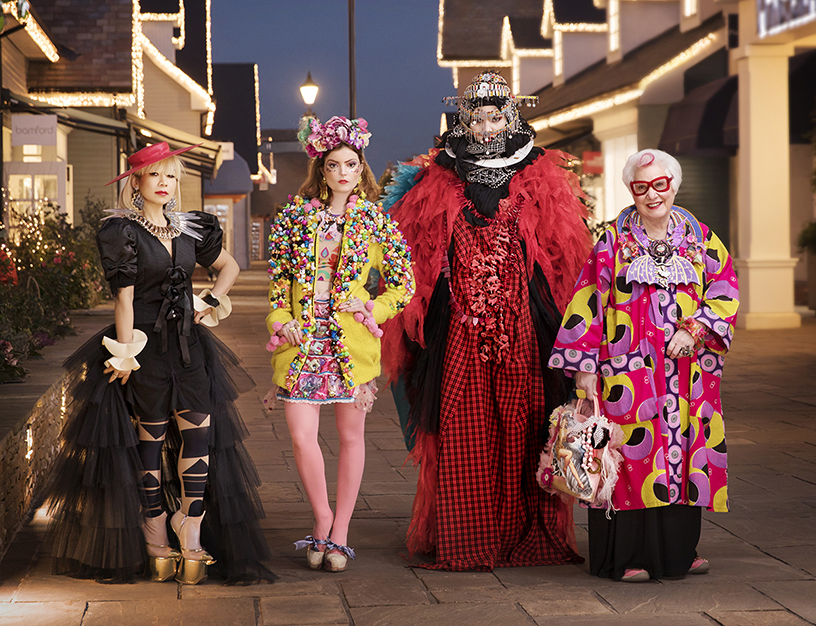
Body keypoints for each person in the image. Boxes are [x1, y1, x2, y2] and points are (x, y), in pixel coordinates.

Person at [382, 71, 591, 571]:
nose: (488, 125)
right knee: (461, 424)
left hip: (524, 320)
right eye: (478, 116)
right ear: (465, 119)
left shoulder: (539, 172)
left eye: (496, 115)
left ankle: (522, 533)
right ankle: (468, 536)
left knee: (526, 425)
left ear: (510, 117)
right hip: (458, 322)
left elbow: (563, 253)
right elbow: (412, 251)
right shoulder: (438, 173)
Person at [47, 142, 275, 586]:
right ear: (136, 181)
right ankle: (154, 526)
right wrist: (126, 354)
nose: (165, 183)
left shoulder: (190, 228)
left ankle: (189, 522)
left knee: (199, 435)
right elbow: (124, 300)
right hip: (145, 347)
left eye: (171, 176)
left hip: (189, 346)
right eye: (155, 175)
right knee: (148, 439)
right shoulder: (122, 231)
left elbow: (228, 267)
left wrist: (207, 302)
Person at [548, 148, 739, 582]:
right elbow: (588, 301)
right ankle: (626, 557)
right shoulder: (613, 240)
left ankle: (679, 553)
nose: (652, 195)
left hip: (688, 377)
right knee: (630, 458)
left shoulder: (700, 236)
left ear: (674, 184)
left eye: (660, 185)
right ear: (631, 190)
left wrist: (695, 328)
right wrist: (584, 364)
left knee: (686, 457)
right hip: (627, 373)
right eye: (641, 187)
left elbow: (725, 289)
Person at [265, 116, 414, 572]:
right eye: (335, 165)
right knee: (300, 434)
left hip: (351, 347)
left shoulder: (375, 222)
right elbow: (278, 290)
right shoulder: (295, 220)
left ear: (361, 168)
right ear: (322, 170)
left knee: (351, 438)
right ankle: (322, 516)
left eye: (352, 164)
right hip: (301, 347)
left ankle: (341, 531)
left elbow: (403, 284)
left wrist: (374, 308)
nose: (344, 172)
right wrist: (282, 318)